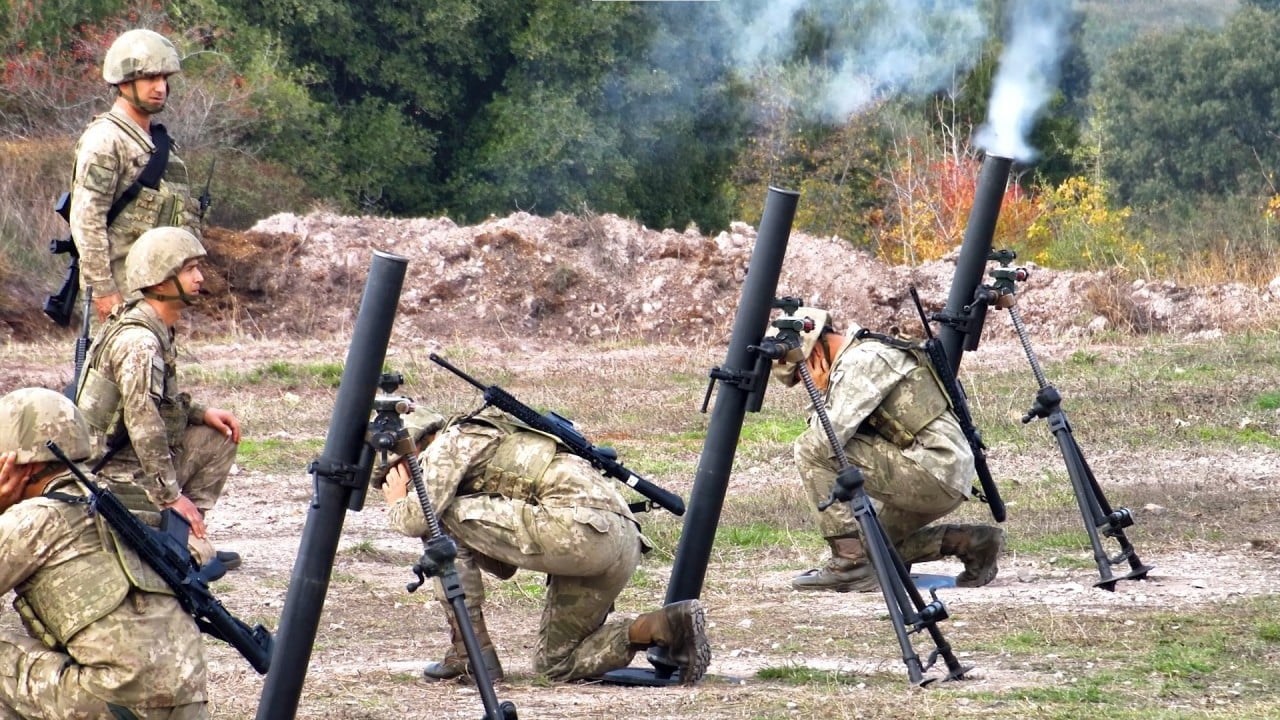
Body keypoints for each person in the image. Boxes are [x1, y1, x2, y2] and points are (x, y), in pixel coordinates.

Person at [379, 406, 711, 685]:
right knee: (555, 664)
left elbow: (417, 520)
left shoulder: (452, 440)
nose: (401, 478)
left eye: (396, 470)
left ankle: (471, 655)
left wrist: (398, 502)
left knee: (438, 518)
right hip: (620, 538)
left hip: (577, 532)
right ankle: (663, 626)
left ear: (413, 447)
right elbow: (504, 565)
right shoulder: (495, 438)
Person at [0, 387, 208, 719]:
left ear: (17, 466)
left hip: (116, 705)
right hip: (189, 702)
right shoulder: (123, 499)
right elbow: (201, 550)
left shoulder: (32, 520)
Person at [770, 307, 1005, 593]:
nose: (807, 386)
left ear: (815, 356)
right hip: (939, 470)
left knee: (809, 448)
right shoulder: (866, 354)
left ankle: (848, 564)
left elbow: (826, 438)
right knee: (871, 548)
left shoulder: (861, 361)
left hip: (931, 469)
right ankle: (972, 543)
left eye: (800, 376)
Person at [75, 226, 241, 574]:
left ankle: (181, 532)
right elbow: (144, 423)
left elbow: (161, 402)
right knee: (204, 560)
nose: (199, 277)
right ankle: (176, 545)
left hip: (133, 462)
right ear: (160, 281)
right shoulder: (141, 343)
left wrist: (201, 412)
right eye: (189, 269)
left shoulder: (155, 327)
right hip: (110, 475)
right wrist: (171, 496)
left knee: (217, 437)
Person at [70, 28, 203, 325]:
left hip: (156, 293)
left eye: (164, 79)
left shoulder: (159, 143)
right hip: (122, 290)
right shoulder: (106, 140)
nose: (160, 87)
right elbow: (87, 220)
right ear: (124, 81)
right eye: (150, 78)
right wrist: (103, 291)